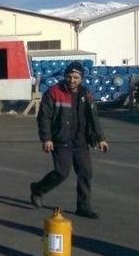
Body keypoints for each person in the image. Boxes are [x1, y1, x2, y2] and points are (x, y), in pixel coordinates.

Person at [31, 61, 108, 218]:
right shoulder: (53, 92)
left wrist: (101, 139)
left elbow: (93, 118)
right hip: (61, 141)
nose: (72, 80)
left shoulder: (86, 94)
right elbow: (44, 118)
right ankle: (38, 189)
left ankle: (83, 207)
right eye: (69, 76)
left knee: (86, 173)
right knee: (61, 173)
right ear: (65, 76)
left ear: (81, 78)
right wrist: (46, 139)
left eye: (76, 77)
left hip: (80, 142)